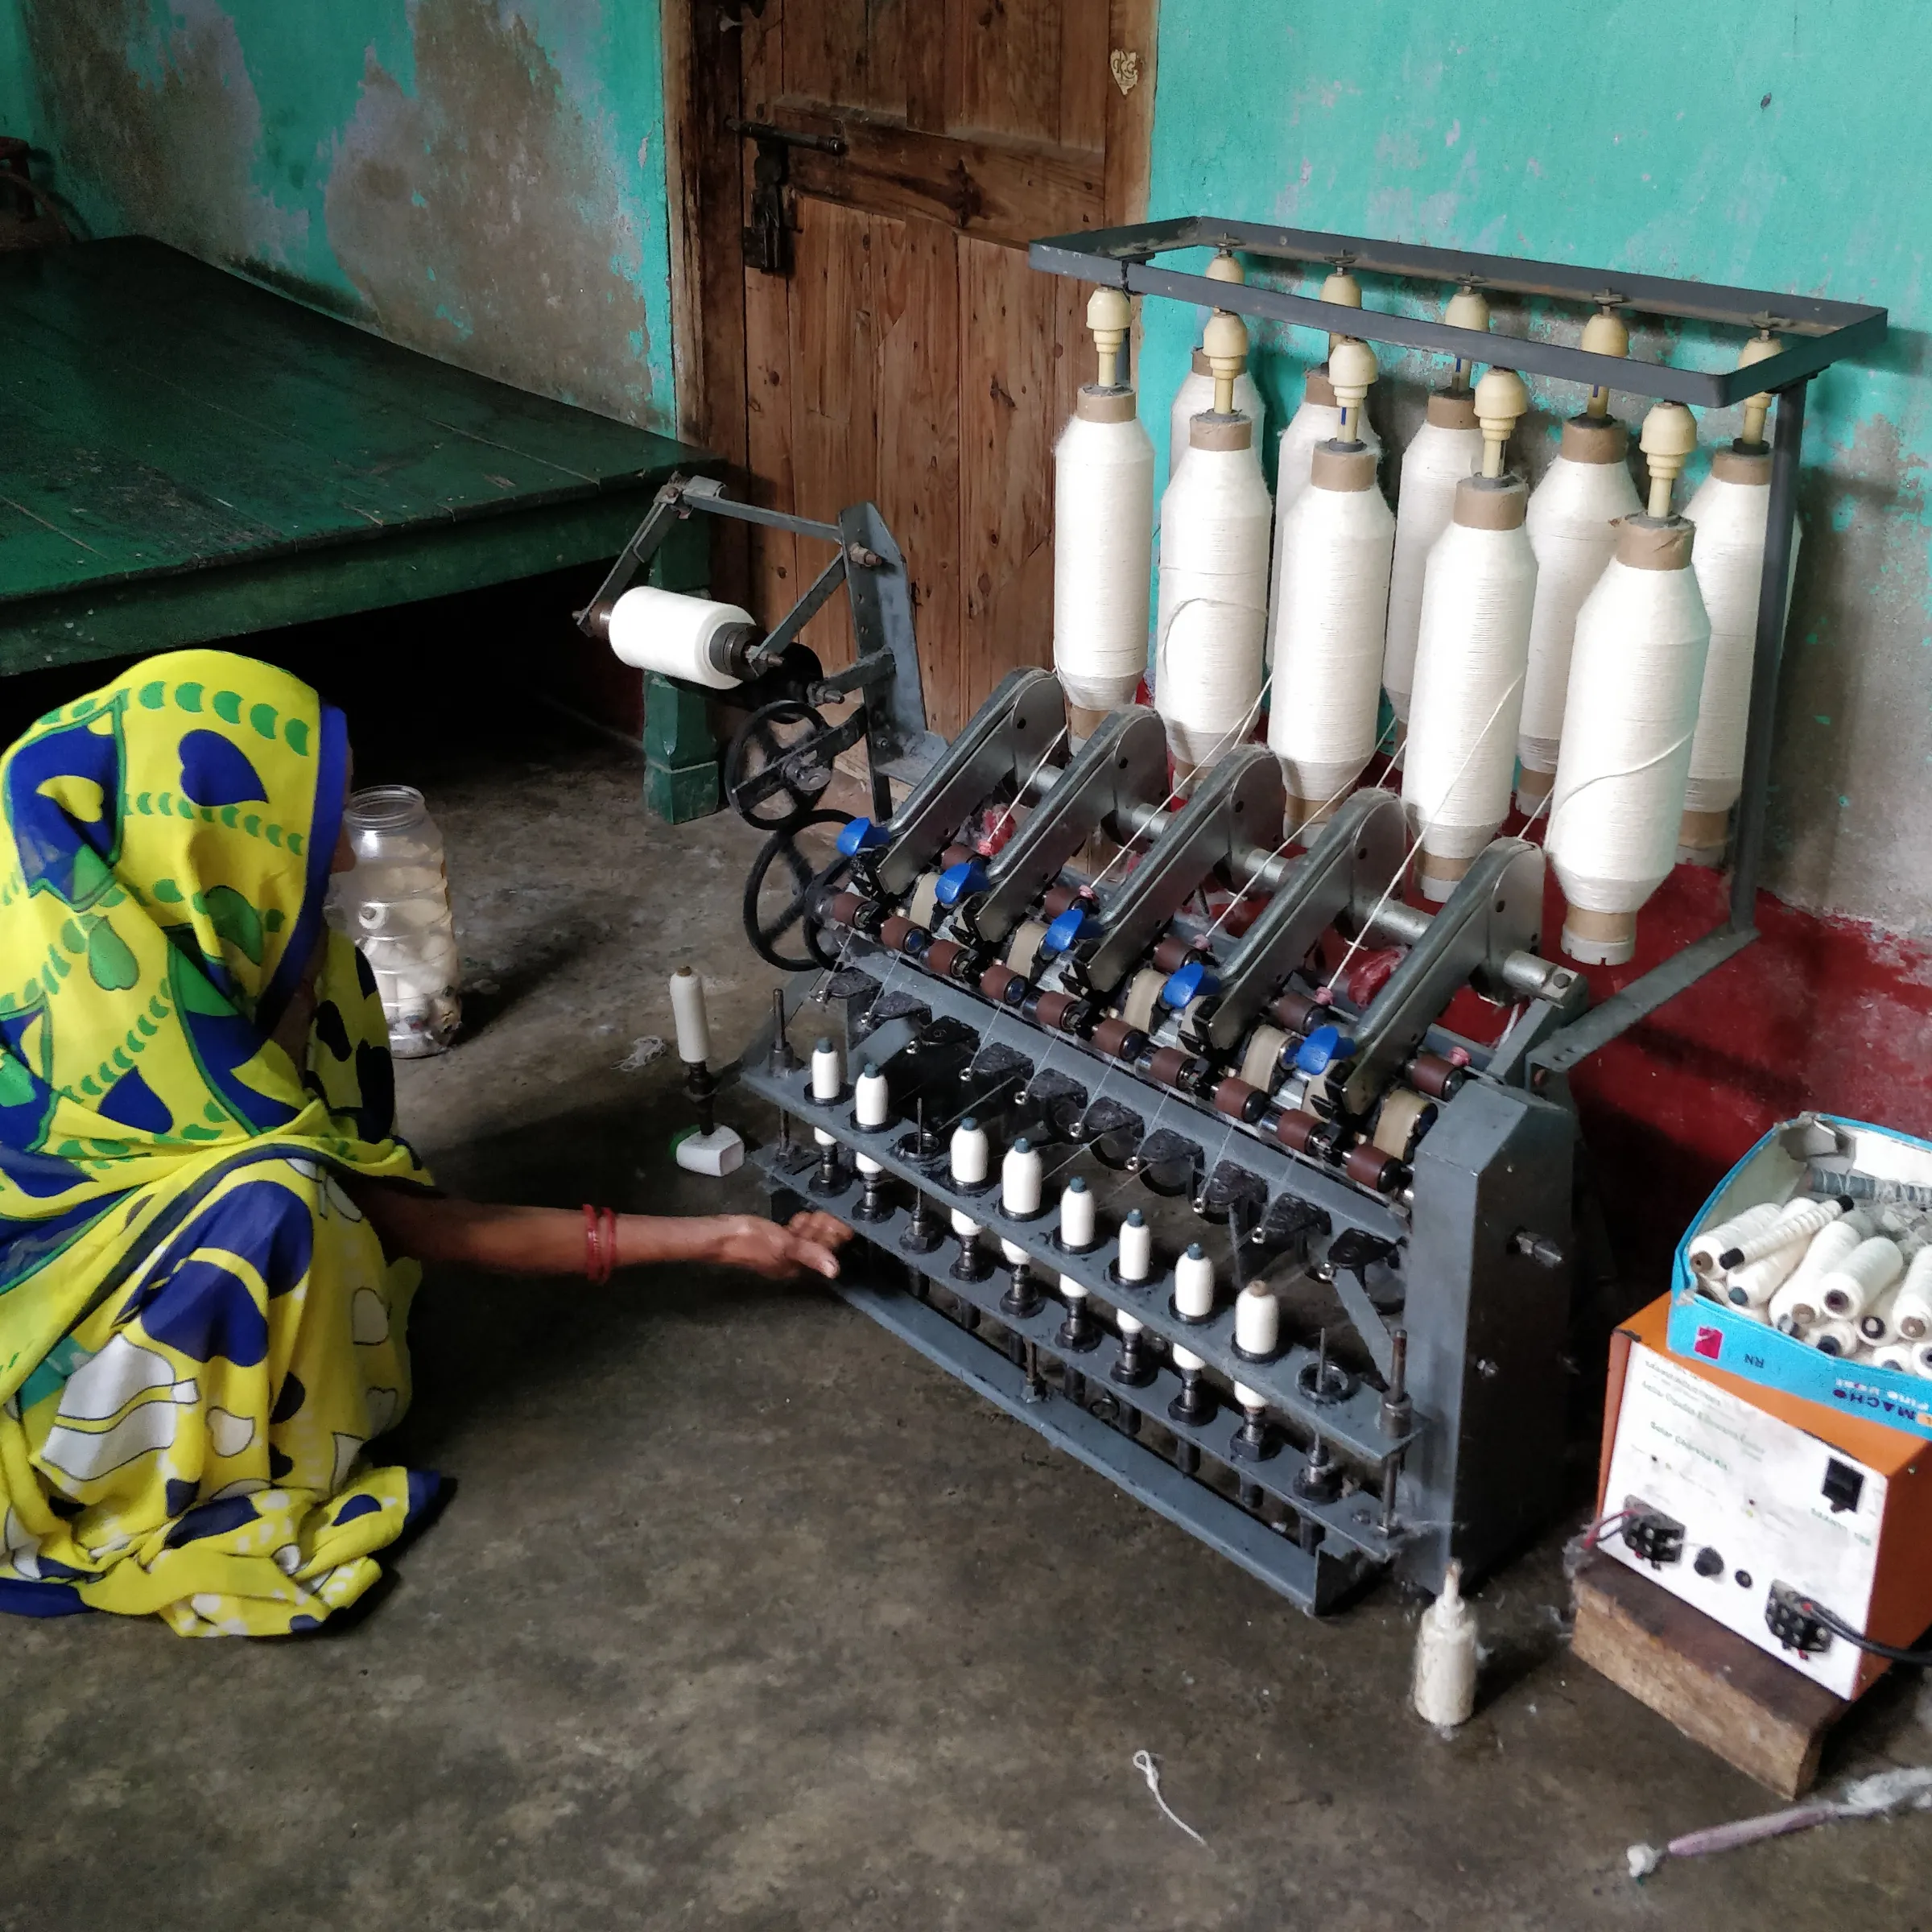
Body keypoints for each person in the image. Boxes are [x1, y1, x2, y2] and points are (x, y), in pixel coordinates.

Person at [0, 650, 849, 1635]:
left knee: (319, 1028)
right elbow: (420, 1227)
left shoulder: (177, 955)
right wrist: (718, 1241)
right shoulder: (121, 1050)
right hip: (43, 1361)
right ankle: (179, 1456)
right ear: (203, 845)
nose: (352, 855)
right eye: (317, 825)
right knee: (275, 1203)